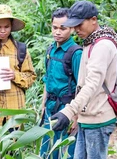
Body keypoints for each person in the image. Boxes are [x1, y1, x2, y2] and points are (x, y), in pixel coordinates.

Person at [51, 1, 117, 159]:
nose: (76, 30)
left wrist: (69, 111)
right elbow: (82, 83)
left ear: (93, 20)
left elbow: (92, 84)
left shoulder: (102, 46)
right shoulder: (91, 42)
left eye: (80, 25)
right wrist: (76, 114)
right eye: (74, 25)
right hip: (88, 116)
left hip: (99, 118)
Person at [40, 8, 82, 158]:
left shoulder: (75, 53)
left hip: (66, 110)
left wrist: (75, 117)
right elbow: (47, 78)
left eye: (63, 28)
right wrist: (43, 104)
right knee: (47, 149)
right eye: (55, 27)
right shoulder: (50, 49)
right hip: (50, 108)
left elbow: (81, 87)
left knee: (65, 151)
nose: (58, 32)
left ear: (71, 28)